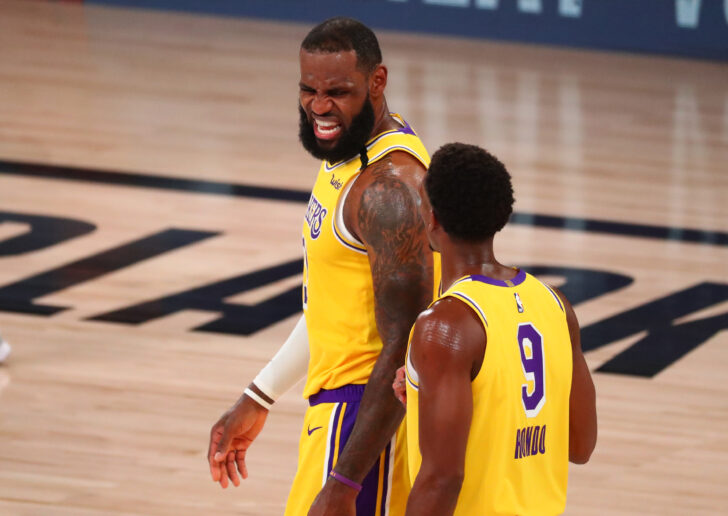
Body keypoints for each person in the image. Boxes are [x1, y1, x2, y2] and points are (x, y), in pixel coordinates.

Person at [207, 17, 439, 516]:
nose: (318, 106)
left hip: (365, 419)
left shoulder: (388, 191)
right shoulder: (348, 153)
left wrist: (344, 481)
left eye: (338, 91)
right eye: (308, 89)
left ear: (377, 81)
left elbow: (404, 347)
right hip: (338, 411)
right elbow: (331, 308)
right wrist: (261, 394)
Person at [398, 143, 597, 516]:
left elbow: (442, 478)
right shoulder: (554, 304)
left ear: (433, 219)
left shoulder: (444, 326)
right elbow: (579, 443)